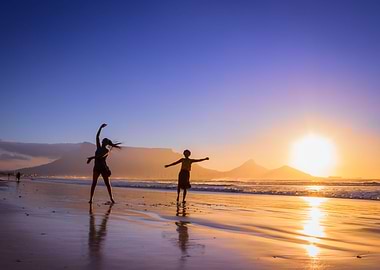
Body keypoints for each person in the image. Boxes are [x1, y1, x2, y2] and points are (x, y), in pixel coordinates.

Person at [87, 123, 121, 204]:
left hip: (103, 168)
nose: (102, 141)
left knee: (107, 184)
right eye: (103, 140)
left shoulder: (106, 150)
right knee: (94, 183)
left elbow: (100, 156)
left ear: (106, 143)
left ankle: (112, 198)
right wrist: (100, 128)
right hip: (96, 168)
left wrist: (91, 158)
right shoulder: (98, 147)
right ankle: (91, 199)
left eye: (104, 140)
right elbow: (97, 137)